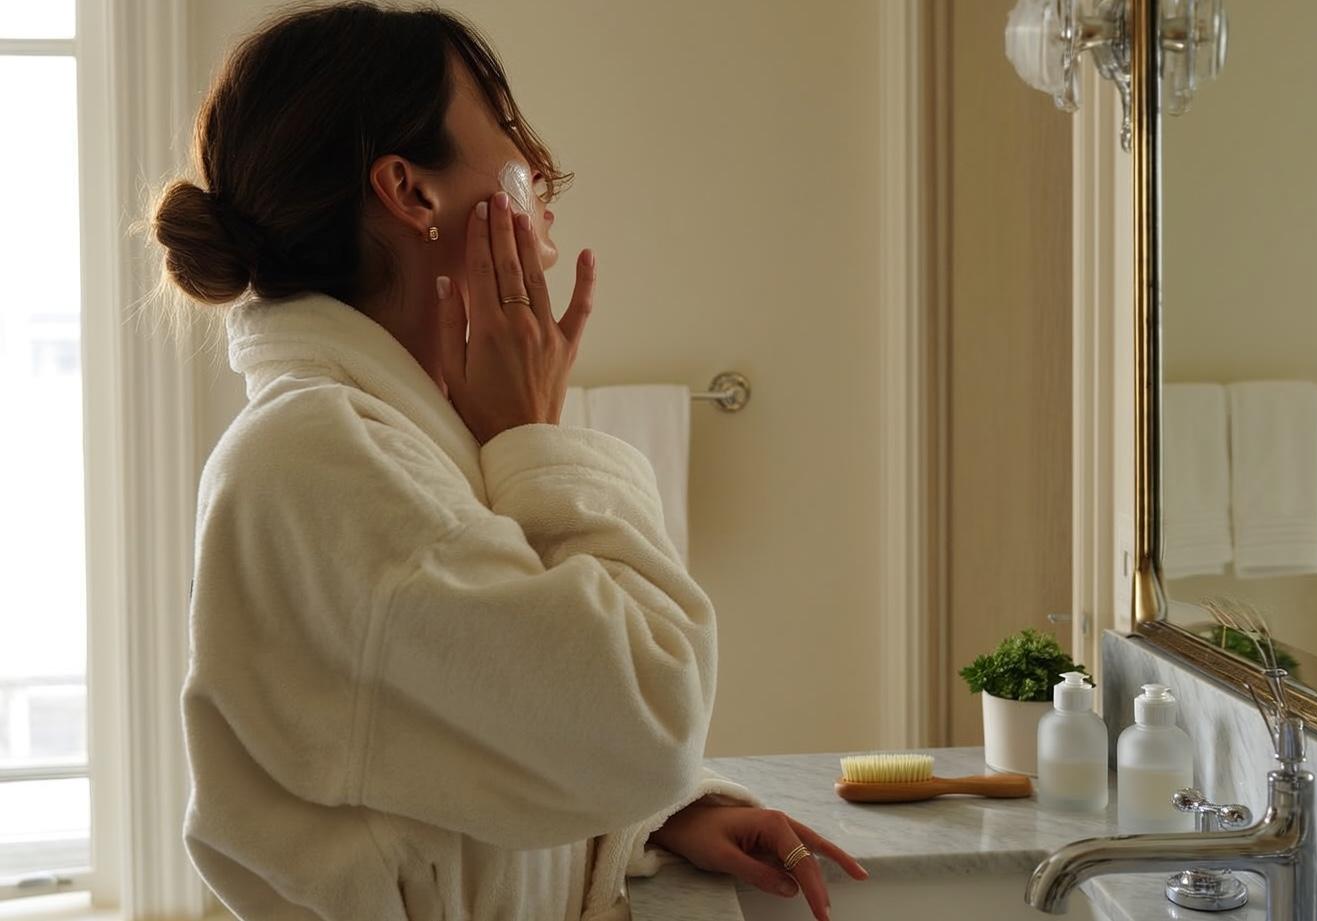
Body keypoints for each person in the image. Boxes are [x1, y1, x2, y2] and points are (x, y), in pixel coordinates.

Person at [148, 3, 866, 919]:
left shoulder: (383, 443)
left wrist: (657, 814)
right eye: (505, 124)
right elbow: (649, 725)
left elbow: (467, 741)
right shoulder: (322, 458)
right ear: (410, 192)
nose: (538, 165)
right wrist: (536, 439)